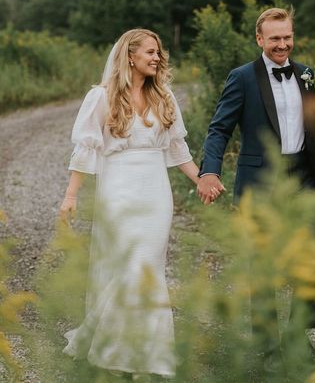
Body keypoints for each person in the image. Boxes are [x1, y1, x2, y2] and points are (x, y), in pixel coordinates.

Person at [60, 29, 218, 381]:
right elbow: (86, 150)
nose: (157, 57)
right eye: (150, 51)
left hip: (155, 192)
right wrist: (71, 196)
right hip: (117, 188)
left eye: (159, 52)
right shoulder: (101, 98)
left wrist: (202, 179)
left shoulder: (165, 97)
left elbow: (178, 151)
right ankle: (115, 351)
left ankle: (149, 352)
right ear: (129, 56)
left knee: (148, 267)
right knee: (126, 265)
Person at [196, 8, 315, 373]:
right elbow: (219, 129)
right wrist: (209, 171)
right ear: (259, 39)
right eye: (274, 39)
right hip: (261, 182)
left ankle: (298, 339)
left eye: (287, 37)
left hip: (302, 179)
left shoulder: (306, 74)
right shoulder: (241, 78)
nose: (282, 45)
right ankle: (269, 345)